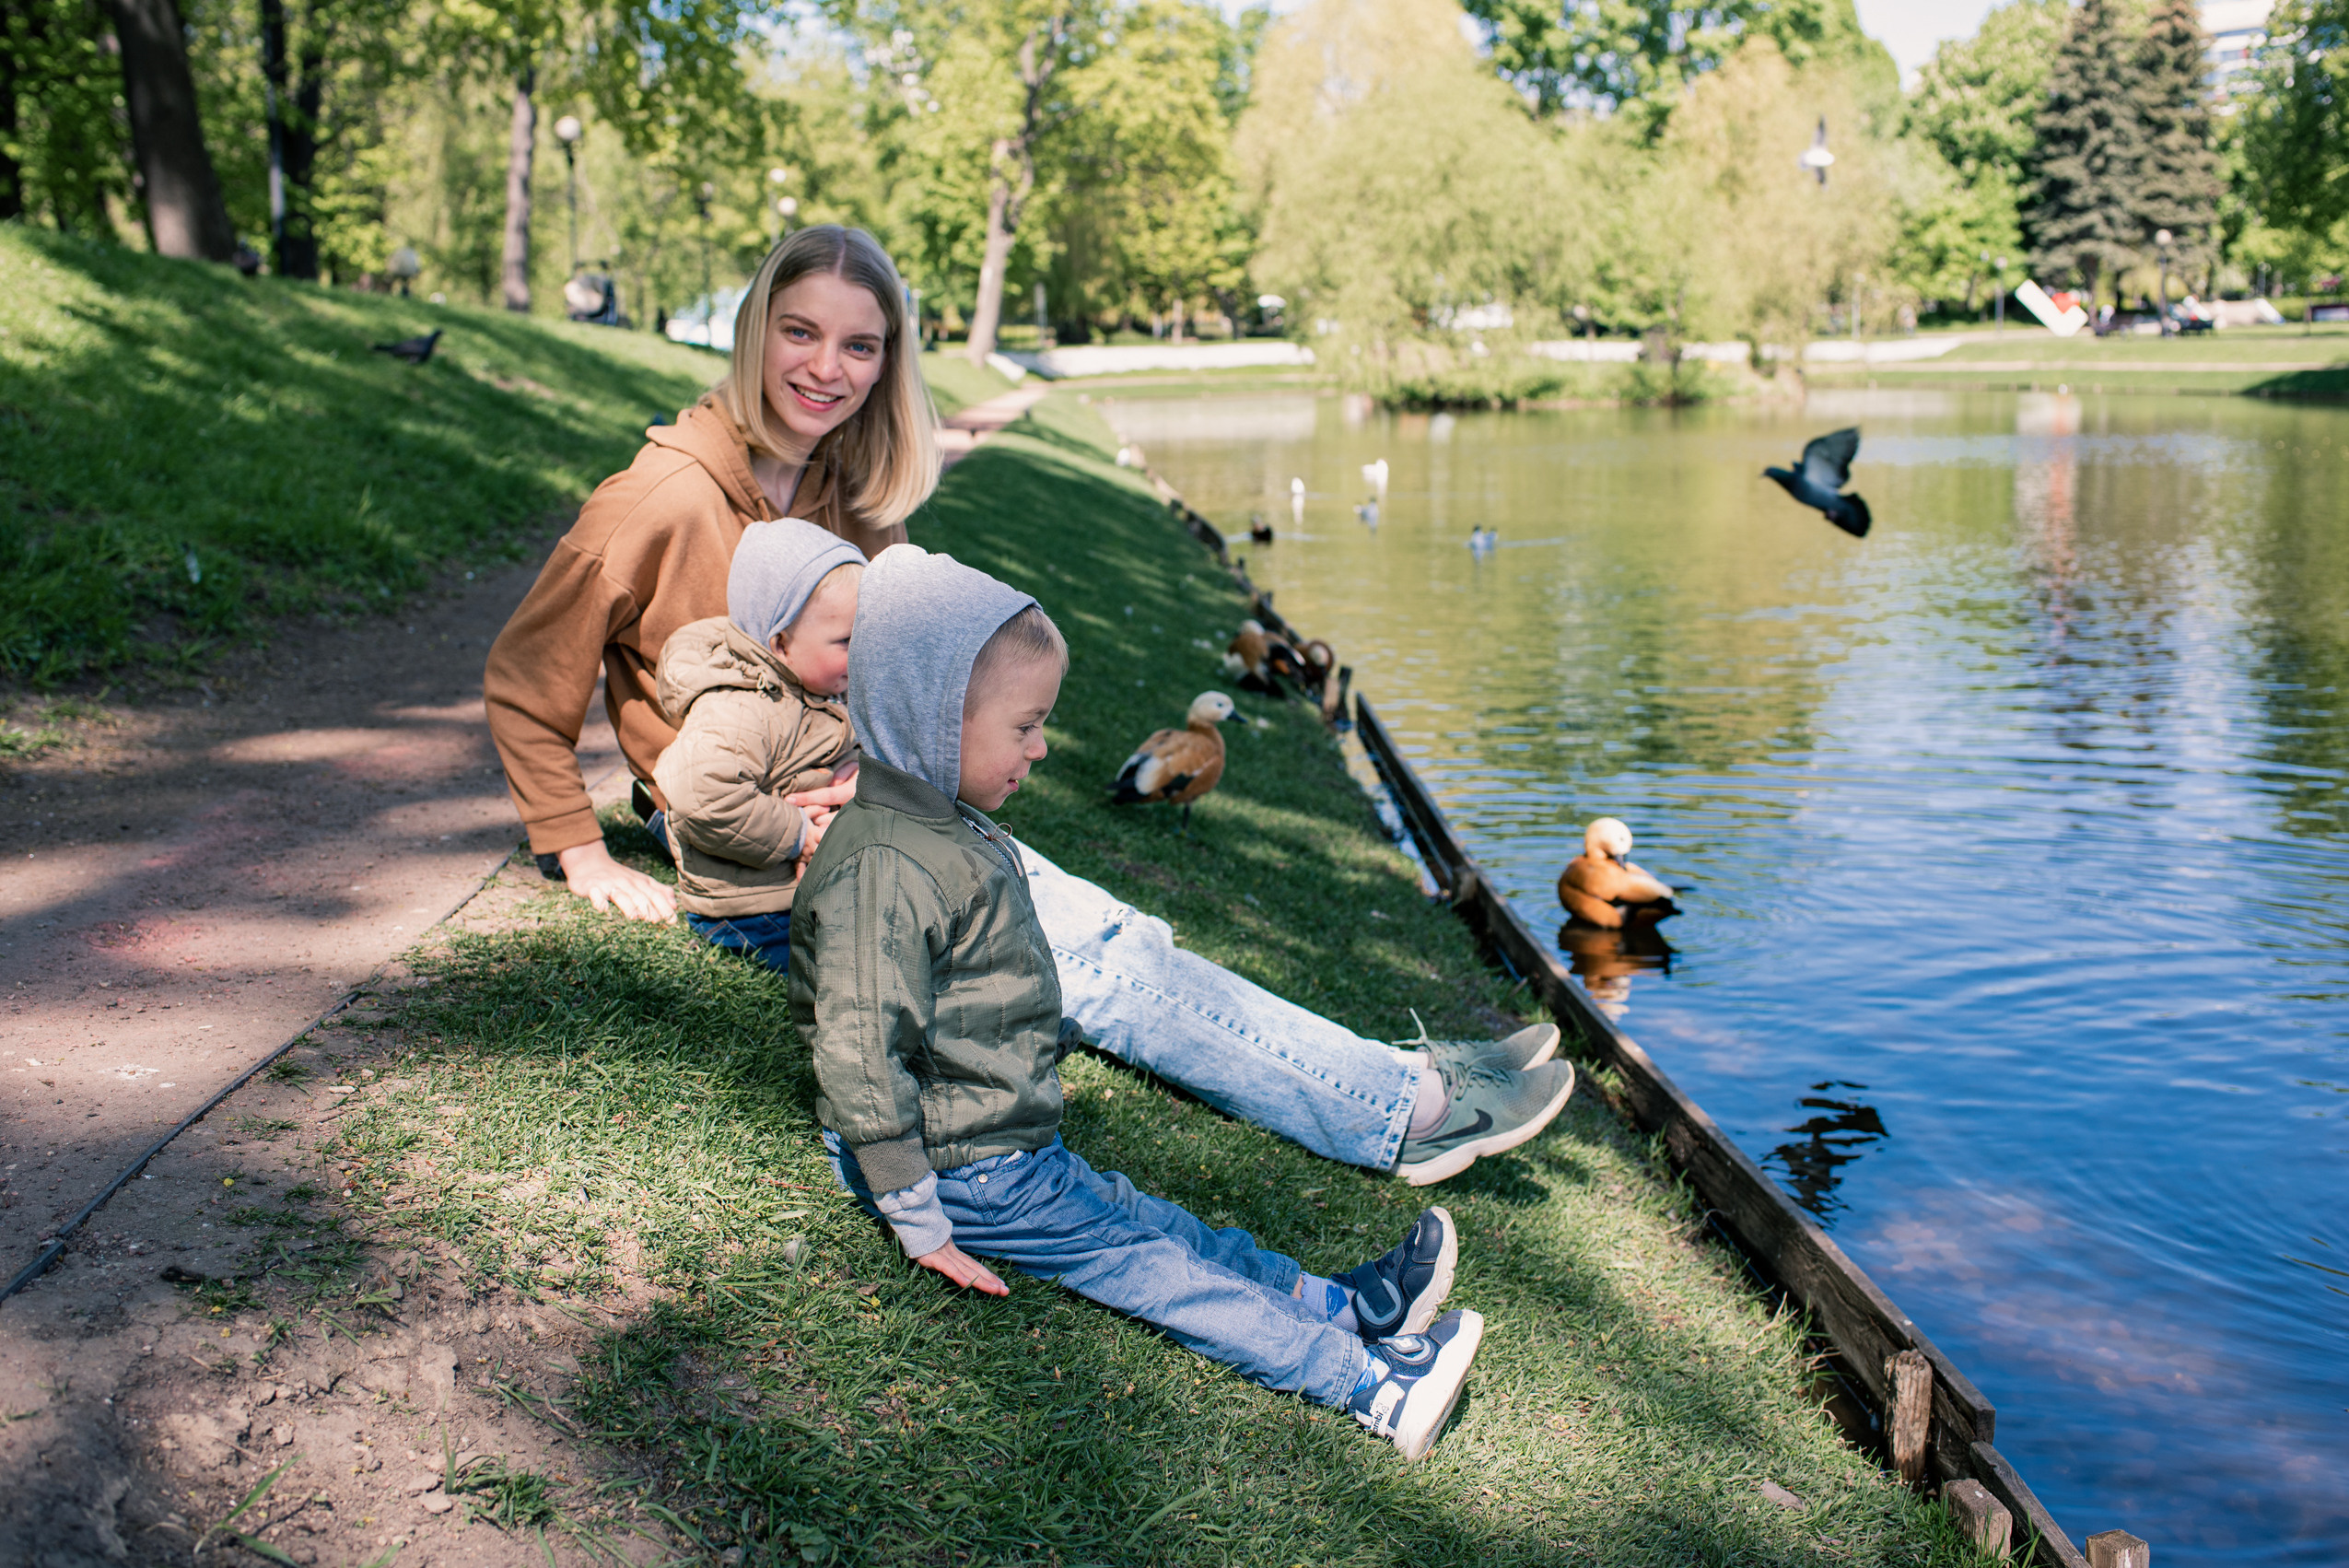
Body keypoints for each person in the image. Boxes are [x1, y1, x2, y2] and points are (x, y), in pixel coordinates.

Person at [482, 223, 1576, 1185]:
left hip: (873, 804)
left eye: (860, 345)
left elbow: (896, 667)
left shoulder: (837, 490)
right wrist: (580, 852)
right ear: (754, 330)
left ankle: (1391, 1075)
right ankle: (1404, 1112)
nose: (828, 368)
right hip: (763, 843)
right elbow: (529, 679)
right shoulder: (659, 497)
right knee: (1090, 962)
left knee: (1116, 937)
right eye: (800, 333)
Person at [794, 545, 1485, 1460]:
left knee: (1158, 1224)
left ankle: (1347, 1308)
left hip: (1004, 1143)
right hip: (960, 1166)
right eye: (1026, 726)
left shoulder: (932, 820)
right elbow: (855, 1050)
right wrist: (916, 1214)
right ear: (931, 718)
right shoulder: (882, 863)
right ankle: (1370, 1383)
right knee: (1151, 1267)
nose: (1042, 748)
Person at [643, 519, 863, 973]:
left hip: (801, 887)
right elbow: (701, 793)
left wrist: (856, 768)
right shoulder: (742, 710)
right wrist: (798, 835)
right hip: (751, 906)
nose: (862, 652)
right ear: (780, 644)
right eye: (846, 641)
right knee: (847, 972)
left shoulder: (817, 683)